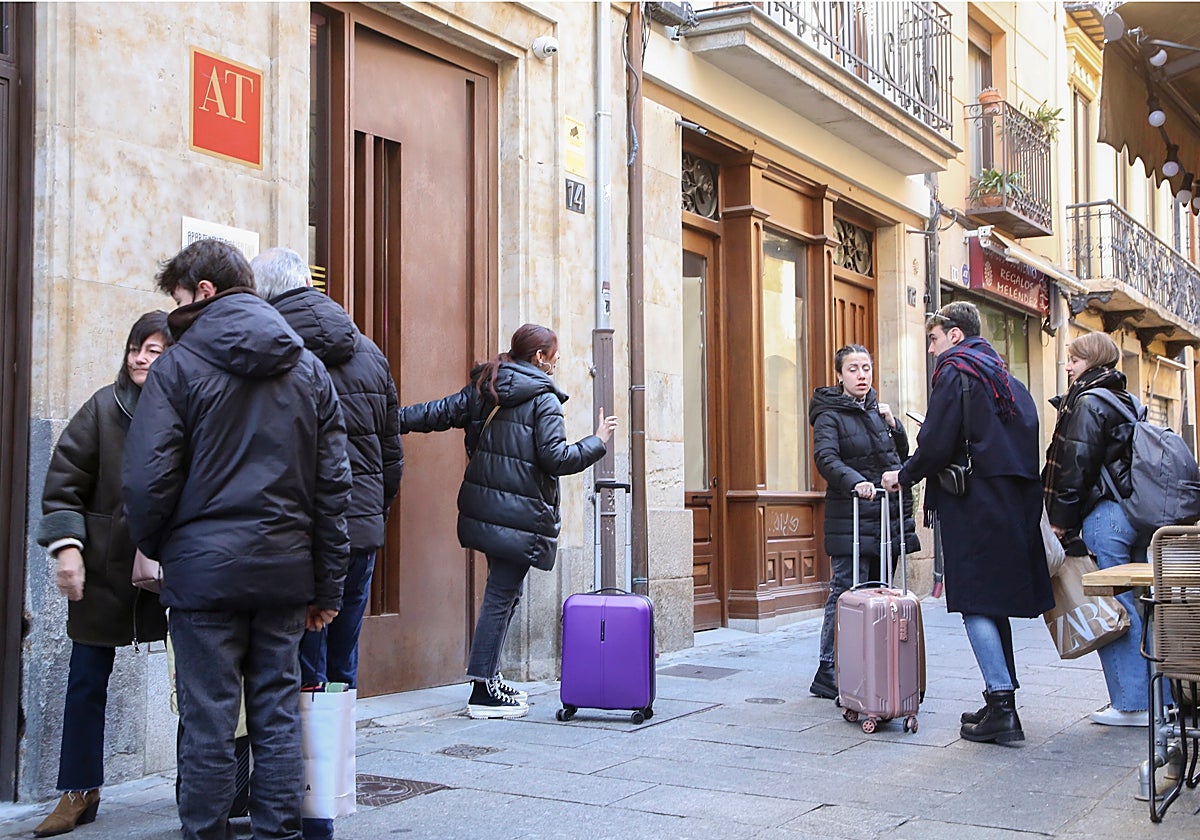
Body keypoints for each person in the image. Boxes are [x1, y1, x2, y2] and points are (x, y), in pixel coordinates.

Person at [122, 239, 352, 840]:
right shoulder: (307, 369)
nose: (174, 316)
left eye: (178, 301)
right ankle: (277, 834)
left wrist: (163, 547)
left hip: (202, 576)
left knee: (208, 721)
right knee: (277, 715)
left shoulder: (176, 367)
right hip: (283, 573)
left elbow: (148, 478)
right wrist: (327, 584)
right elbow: (334, 487)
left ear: (204, 291)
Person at [253, 246, 403, 840]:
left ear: (267, 294)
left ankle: (297, 798)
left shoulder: (271, 347)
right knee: (341, 658)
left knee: (295, 660)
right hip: (358, 529)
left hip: (293, 529)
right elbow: (392, 452)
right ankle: (331, 790)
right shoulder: (369, 352)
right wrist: (371, 515)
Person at [399, 323, 617, 719]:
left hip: (486, 507)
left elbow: (437, 413)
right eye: (554, 354)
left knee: (504, 594)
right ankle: (482, 689)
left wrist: (389, 419)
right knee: (501, 596)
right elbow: (557, 459)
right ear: (538, 357)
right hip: (519, 515)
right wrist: (597, 441)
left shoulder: (490, 384)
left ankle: (490, 678)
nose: (556, 361)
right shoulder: (543, 399)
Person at [883, 301, 1053, 745]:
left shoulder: (957, 372)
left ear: (954, 335)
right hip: (1012, 504)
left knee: (975, 600)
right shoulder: (1007, 378)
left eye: (935, 340)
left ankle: (1001, 704)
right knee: (993, 601)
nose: (933, 350)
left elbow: (937, 442)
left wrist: (904, 473)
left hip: (974, 505)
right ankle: (1002, 701)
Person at [32, 312, 172, 838]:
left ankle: (200, 788)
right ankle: (79, 790)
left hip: (172, 570)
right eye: (137, 347)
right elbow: (63, 479)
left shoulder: (193, 412)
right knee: (86, 680)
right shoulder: (101, 408)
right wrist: (67, 547)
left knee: (195, 685)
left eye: (156, 351)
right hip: (104, 570)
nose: (141, 358)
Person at [1043, 332, 1153, 726]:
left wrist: (1059, 522)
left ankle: (1132, 704)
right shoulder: (1124, 399)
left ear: (1091, 361)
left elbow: (1076, 467)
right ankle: (1161, 700)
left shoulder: (1089, 401)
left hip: (1105, 516)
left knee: (1112, 607)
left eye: (1074, 359)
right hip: (1133, 513)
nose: (1068, 366)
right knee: (1142, 606)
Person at [808, 345, 920, 700]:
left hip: (887, 517)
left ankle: (871, 662)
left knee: (881, 592)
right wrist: (855, 481)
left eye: (867, 368)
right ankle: (828, 667)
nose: (862, 375)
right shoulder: (829, 414)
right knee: (844, 591)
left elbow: (902, 459)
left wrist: (896, 426)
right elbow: (825, 457)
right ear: (839, 375)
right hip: (852, 517)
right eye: (853, 369)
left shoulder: (878, 411)